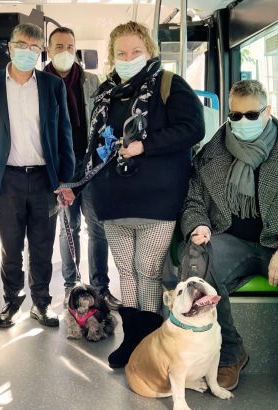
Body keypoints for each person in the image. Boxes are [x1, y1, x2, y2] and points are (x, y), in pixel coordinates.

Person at [58, 21, 205, 368]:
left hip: (157, 199)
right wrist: (74, 185)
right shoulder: (106, 94)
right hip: (112, 200)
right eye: (121, 53)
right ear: (112, 57)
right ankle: (133, 340)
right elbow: (96, 148)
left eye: (135, 52)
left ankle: (150, 343)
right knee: (125, 271)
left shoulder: (171, 85)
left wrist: (146, 145)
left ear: (149, 51)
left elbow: (193, 129)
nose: (128, 58)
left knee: (148, 270)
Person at [180, 79, 278, 409]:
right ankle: (231, 353)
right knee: (197, 263)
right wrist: (199, 225)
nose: (242, 122)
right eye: (235, 115)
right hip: (233, 237)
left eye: (251, 114)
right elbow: (193, 203)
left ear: (268, 111)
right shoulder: (210, 155)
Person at [0, 23, 75, 329]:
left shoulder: (53, 86)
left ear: (40, 53)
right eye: (21, 46)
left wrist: (65, 181)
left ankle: (41, 304)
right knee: (10, 247)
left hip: (45, 179)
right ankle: (12, 301)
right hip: (8, 178)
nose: (27, 52)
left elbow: (63, 134)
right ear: (10, 47)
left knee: (42, 246)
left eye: (34, 48)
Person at [44, 26, 122, 310]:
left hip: (90, 163)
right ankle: (71, 287)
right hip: (61, 166)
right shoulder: (40, 82)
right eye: (58, 46)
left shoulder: (92, 82)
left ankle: (100, 287)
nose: (64, 52)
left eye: (69, 46)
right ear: (48, 50)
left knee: (97, 227)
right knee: (69, 227)